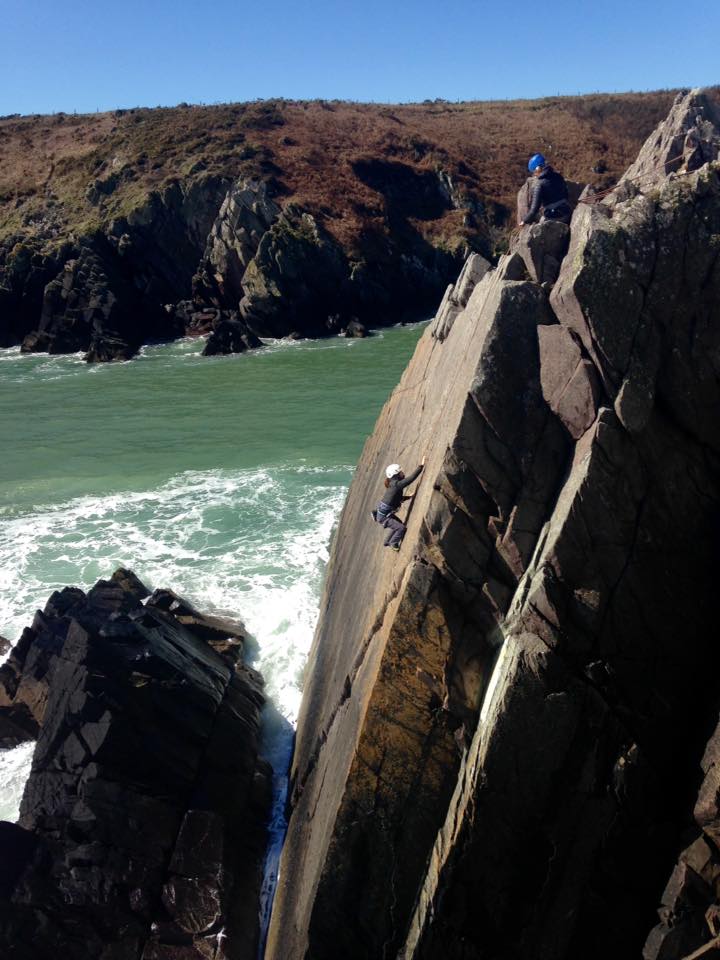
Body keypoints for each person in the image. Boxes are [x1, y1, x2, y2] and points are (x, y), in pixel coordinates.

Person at [372, 459, 425, 550]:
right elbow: (410, 479)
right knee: (401, 528)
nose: (402, 473)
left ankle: (387, 541)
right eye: (400, 472)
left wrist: (408, 497)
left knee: (398, 524)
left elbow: (396, 499)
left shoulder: (393, 484)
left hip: (383, 514)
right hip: (384, 517)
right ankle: (393, 542)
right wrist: (421, 466)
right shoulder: (396, 484)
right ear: (396, 474)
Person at [518, 154, 571, 226]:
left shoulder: (539, 185)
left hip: (554, 218)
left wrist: (524, 221)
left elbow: (534, 210)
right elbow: (566, 194)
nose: (534, 174)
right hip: (567, 214)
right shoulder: (558, 176)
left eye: (534, 172)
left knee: (539, 223)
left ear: (538, 169)